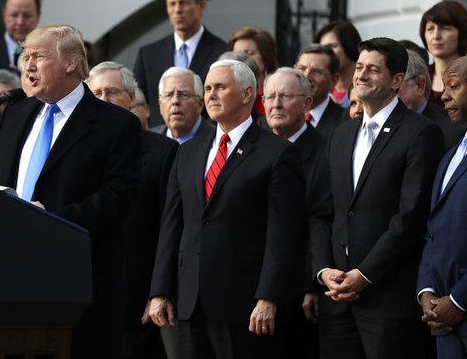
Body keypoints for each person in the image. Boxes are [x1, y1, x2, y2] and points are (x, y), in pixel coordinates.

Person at [0, 24, 141, 358]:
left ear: (70, 63)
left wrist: (50, 220)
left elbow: (118, 198)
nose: (29, 65)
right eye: (25, 57)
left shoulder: (114, 124)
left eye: (39, 56)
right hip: (9, 274)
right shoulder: (18, 114)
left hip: (76, 279)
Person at [149, 59, 306, 359]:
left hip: (243, 305)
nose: (210, 95)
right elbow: (171, 226)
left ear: (248, 94)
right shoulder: (188, 151)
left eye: (220, 87)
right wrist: (159, 291)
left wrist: (268, 296)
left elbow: (284, 236)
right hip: (188, 302)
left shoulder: (278, 154)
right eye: (207, 88)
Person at [313, 37, 444, 359]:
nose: (361, 75)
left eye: (373, 69)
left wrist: (365, 274)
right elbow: (321, 211)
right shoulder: (341, 135)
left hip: (388, 300)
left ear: (397, 81)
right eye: (359, 67)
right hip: (337, 298)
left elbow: (410, 217)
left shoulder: (420, 133)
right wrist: (323, 271)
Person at [86, 61, 178, 359]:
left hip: (138, 292)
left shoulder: (164, 151)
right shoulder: (74, 150)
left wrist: (159, 291)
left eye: (112, 92)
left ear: (131, 99)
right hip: (85, 290)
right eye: (96, 92)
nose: (103, 99)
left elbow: (170, 227)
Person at [262, 67, 331, 358]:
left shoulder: (326, 150)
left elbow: (320, 220)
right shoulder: (255, 148)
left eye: (286, 96)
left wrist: (312, 285)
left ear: (307, 103)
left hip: (299, 293)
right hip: (256, 285)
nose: (276, 104)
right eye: (270, 96)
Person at [418, 55, 467, 358]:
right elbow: (433, 232)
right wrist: (427, 293)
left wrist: (459, 300)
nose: (443, 95)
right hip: (443, 323)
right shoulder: (449, 157)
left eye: (454, 86)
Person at [134, 0, 227, 127]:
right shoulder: (148, 55)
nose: (177, 10)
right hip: (160, 143)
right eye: (172, 4)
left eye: (184, 3)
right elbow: (138, 104)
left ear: (202, 6)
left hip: (206, 144)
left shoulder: (221, 53)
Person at [398, 49, 464, 149]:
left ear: (420, 85)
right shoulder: (375, 125)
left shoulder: (452, 133)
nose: (444, 96)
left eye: (396, 82)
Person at [419, 1, 467, 106]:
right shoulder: (418, 77)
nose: (436, 36)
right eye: (430, 29)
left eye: (445, 28)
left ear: (462, 32)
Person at [294, 43, 346, 140]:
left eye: (317, 72)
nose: (306, 76)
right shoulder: (278, 115)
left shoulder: (346, 122)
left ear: (334, 80)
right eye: (301, 69)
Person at [227, 26, 278, 115]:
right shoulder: (226, 94)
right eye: (236, 54)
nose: (241, 58)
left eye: (249, 53)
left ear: (266, 58)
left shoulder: (276, 96)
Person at [0, 0, 41, 68]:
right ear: (4, 14)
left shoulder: (47, 53)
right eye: (14, 15)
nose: (20, 22)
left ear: (38, 16)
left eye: (26, 15)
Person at [150, 66, 206, 143]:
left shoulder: (217, 141)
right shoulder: (149, 140)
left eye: (184, 95)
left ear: (200, 104)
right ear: (160, 105)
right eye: (168, 95)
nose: (175, 101)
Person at [316, 20, 362, 108]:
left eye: (332, 46)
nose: (325, 52)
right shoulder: (320, 92)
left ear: (350, 46)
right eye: (322, 48)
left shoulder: (367, 91)